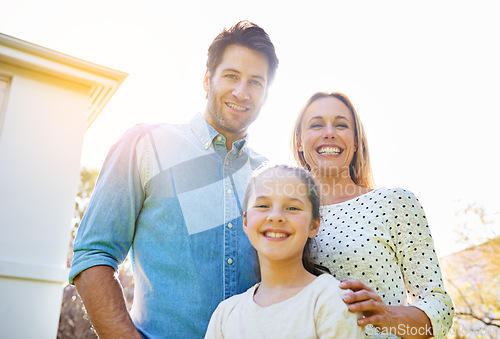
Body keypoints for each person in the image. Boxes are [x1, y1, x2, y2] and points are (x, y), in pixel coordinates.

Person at [69, 21, 279, 338]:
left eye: (256, 82)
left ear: (266, 96)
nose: (241, 92)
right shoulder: (146, 145)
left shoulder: (269, 175)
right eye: (231, 76)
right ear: (207, 80)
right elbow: (93, 255)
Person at [291, 92, 454, 338]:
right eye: (316, 125)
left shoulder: (394, 202)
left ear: (356, 142)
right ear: (299, 142)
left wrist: (390, 318)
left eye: (341, 125)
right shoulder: (284, 218)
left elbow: (439, 307)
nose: (329, 132)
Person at [205, 165, 365, 338]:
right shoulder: (225, 314)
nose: (275, 216)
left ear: (314, 225)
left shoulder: (331, 298)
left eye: (293, 208)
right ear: (245, 221)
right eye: (263, 205)